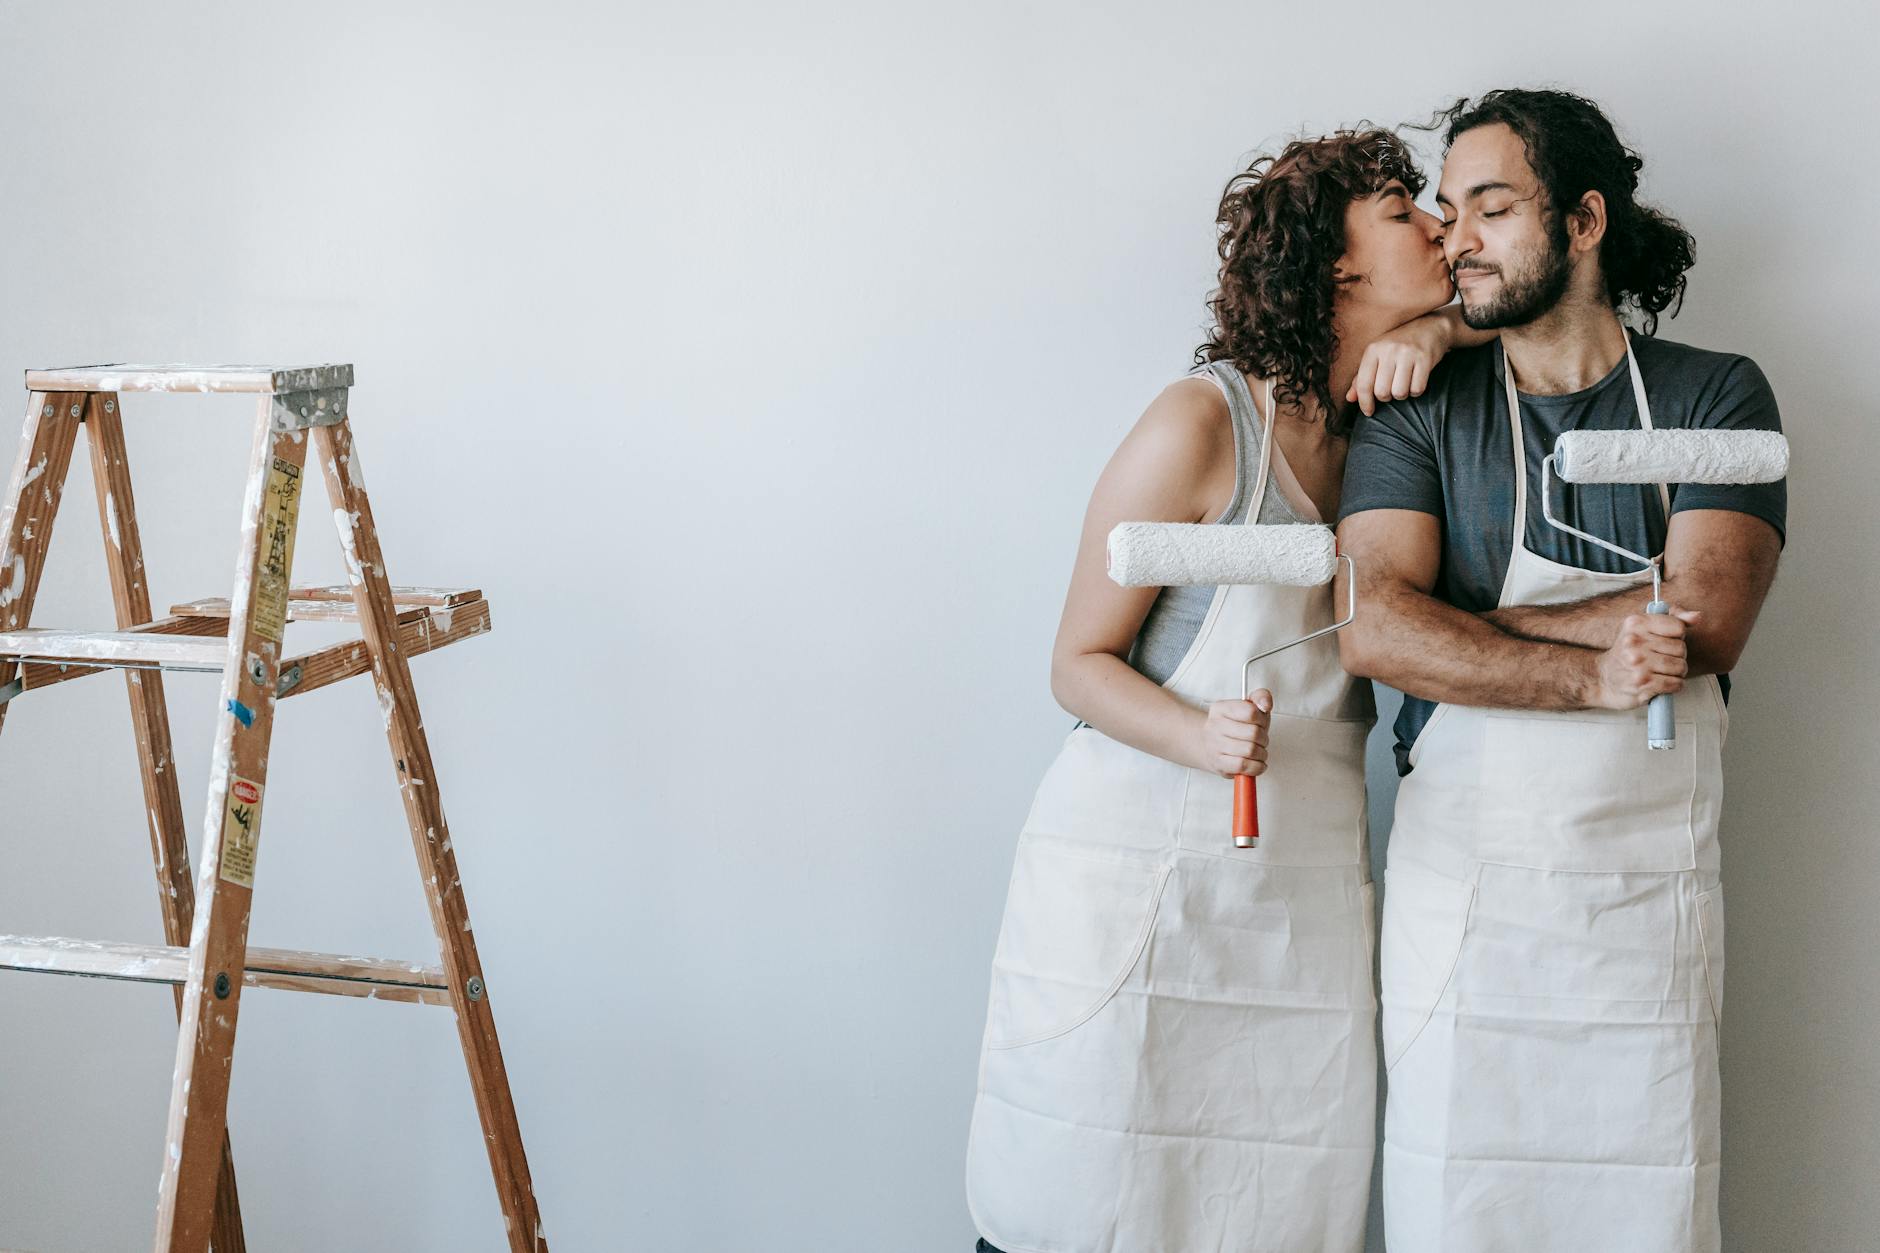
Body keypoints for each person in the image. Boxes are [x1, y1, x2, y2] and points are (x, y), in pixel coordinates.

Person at [965, 128, 1479, 1253]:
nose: (1442, 227)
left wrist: (1440, 322)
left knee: (1269, 1207)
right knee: (1086, 1191)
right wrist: (1198, 735)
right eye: (1405, 211)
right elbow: (1075, 661)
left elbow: (1518, 310)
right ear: (1334, 264)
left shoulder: (1399, 427)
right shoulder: (1200, 423)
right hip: (1135, 881)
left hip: (1296, 896)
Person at [1335, 89, 1786, 1253]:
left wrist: (1475, 633)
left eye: (1490, 207)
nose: (1456, 239)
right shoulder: (1419, 406)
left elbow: (1707, 618)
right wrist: (1599, 663)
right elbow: (1376, 627)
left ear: (1582, 222)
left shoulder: (1712, 393)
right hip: (1464, 902)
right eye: (1445, 212)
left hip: (1641, 913)